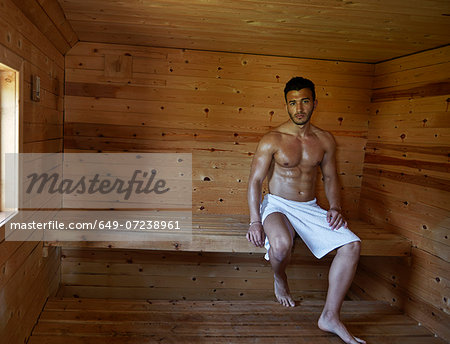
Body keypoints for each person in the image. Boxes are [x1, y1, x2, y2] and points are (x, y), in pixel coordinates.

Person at [246, 77, 365, 344]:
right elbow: (254, 181)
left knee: (352, 245)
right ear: (286, 105)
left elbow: (331, 178)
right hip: (277, 204)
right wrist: (255, 221)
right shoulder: (272, 139)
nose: (299, 108)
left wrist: (335, 207)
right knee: (279, 245)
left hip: (310, 207)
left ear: (313, 103)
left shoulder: (324, 140)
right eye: (292, 102)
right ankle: (280, 277)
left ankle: (330, 317)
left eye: (304, 101)